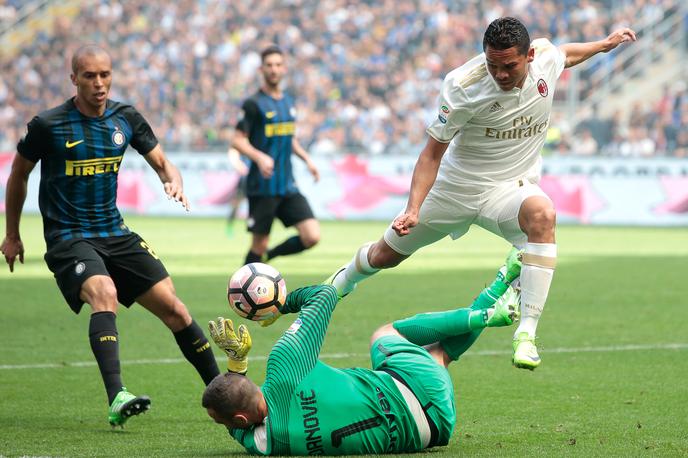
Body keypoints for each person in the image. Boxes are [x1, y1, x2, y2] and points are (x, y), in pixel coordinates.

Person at [326, 17, 637, 370]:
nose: (500, 74)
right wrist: (413, 209)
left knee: (543, 216)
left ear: (530, 55)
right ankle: (340, 283)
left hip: (508, 189)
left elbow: (565, 54)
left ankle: (526, 334)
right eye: (492, 65)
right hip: (456, 188)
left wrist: (603, 44)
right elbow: (431, 154)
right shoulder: (462, 86)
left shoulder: (546, 58)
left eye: (509, 66)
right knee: (385, 256)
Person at [0, 45, 220, 427]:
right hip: (69, 236)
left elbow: (165, 164)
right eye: (89, 76)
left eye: (105, 75)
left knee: (176, 310)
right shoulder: (49, 125)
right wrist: (13, 234)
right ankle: (117, 396)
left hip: (115, 232)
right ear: (74, 79)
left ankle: (220, 389)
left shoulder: (125, 118)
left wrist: (174, 183)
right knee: (105, 293)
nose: (99, 84)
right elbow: (18, 174)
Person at [202, 251, 521, 455]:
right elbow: (323, 295)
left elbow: (236, 423)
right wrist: (278, 307)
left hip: (434, 427)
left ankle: (503, 281)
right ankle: (486, 314)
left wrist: (237, 365)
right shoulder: (283, 369)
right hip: (411, 385)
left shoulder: (267, 446)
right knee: (385, 336)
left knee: (438, 357)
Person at [231, 45, 321, 265]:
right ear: (262, 69)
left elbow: (289, 138)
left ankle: (269, 257)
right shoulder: (253, 104)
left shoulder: (288, 102)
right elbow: (237, 140)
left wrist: (307, 159)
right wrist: (259, 157)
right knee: (258, 244)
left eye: (278, 65)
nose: (274, 69)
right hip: (263, 186)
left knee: (311, 236)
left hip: (287, 185)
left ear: (284, 69)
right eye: (269, 65)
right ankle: (240, 290)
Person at [225, 146, 250, 237]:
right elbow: (232, 152)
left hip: (255, 182)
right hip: (244, 182)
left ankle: (252, 228)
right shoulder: (243, 148)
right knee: (235, 206)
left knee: (255, 207)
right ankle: (229, 227)